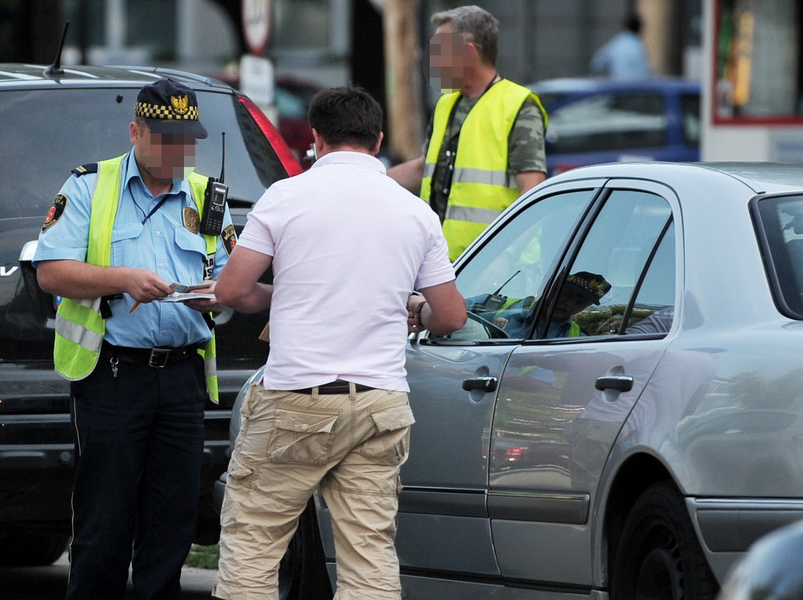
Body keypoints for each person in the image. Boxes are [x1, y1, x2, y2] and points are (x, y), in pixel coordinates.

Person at [212, 86, 467, 600]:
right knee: (369, 555)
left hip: (295, 401)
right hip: (380, 404)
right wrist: (413, 308)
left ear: (315, 140)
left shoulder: (286, 197)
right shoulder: (415, 212)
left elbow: (233, 290)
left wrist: (287, 290)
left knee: (254, 545)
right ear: (377, 141)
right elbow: (451, 314)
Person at [32, 77, 235, 600]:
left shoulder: (207, 195)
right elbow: (50, 273)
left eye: (187, 140)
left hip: (184, 379)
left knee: (171, 525)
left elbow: (231, 278)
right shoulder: (88, 186)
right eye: (167, 139)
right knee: (105, 521)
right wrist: (122, 279)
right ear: (135, 132)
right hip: (114, 376)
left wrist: (217, 294)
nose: (178, 152)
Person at [387, 5, 548, 262]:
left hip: (498, 275)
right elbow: (424, 168)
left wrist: (506, 256)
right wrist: (362, 179)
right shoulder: (446, 103)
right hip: (445, 266)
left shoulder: (518, 105)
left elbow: (532, 191)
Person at [469, 271, 611, 338]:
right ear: (549, 287)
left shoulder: (578, 340)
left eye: (580, 302)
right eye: (566, 295)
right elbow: (450, 317)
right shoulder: (491, 305)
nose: (569, 304)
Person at [591, 13, 651, 80]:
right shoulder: (639, 47)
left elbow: (597, 63)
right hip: (636, 87)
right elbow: (644, 72)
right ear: (640, 29)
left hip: (619, 86)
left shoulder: (617, 43)